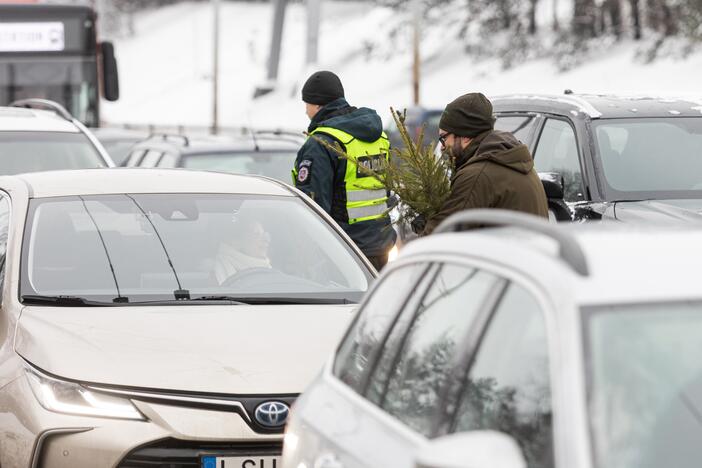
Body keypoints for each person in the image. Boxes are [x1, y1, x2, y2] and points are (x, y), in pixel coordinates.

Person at [292, 70, 396, 269]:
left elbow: (313, 207)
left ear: (316, 104)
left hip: (343, 253)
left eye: (306, 104)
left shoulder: (323, 143)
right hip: (381, 246)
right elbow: (387, 190)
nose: (306, 111)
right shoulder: (378, 137)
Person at [419, 92, 548, 235]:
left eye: (443, 138)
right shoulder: (510, 158)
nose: (442, 146)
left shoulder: (477, 175)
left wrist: (424, 227)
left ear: (466, 135)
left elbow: (442, 237)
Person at [213, 218, 272, 284]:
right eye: (256, 234)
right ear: (236, 242)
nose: (266, 240)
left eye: (264, 234)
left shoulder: (271, 271)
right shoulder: (216, 273)